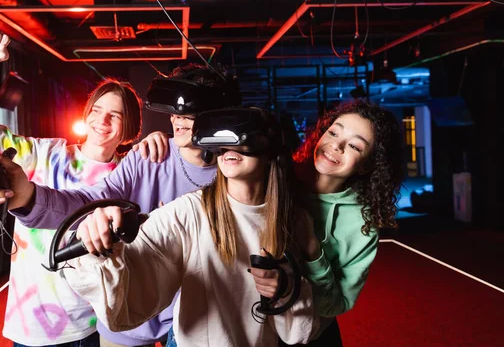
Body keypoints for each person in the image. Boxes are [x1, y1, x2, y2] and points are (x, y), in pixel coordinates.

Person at [0, 62, 242, 347]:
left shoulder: (238, 170)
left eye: (191, 109)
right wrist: (26, 196)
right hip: (132, 322)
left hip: (201, 320)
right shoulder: (144, 159)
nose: (178, 117)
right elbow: (88, 202)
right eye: (175, 108)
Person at [61, 107, 320, 346]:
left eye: (244, 137)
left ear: (272, 150)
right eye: (222, 140)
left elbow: (299, 332)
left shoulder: (294, 220)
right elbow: (132, 290)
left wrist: (286, 289)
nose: (230, 146)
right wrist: (100, 245)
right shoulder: (189, 212)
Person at [0, 28, 142, 347]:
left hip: (91, 323)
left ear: (130, 129)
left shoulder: (129, 177)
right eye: (96, 110)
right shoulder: (45, 152)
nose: (102, 121)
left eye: (115, 116)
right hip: (30, 322)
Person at [283, 99, 404, 346]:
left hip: (312, 334)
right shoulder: (276, 177)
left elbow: (336, 305)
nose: (336, 145)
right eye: (333, 132)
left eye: (354, 146)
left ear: (367, 166)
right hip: (252, 327)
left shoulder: (363, 224)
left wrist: (313, 252)